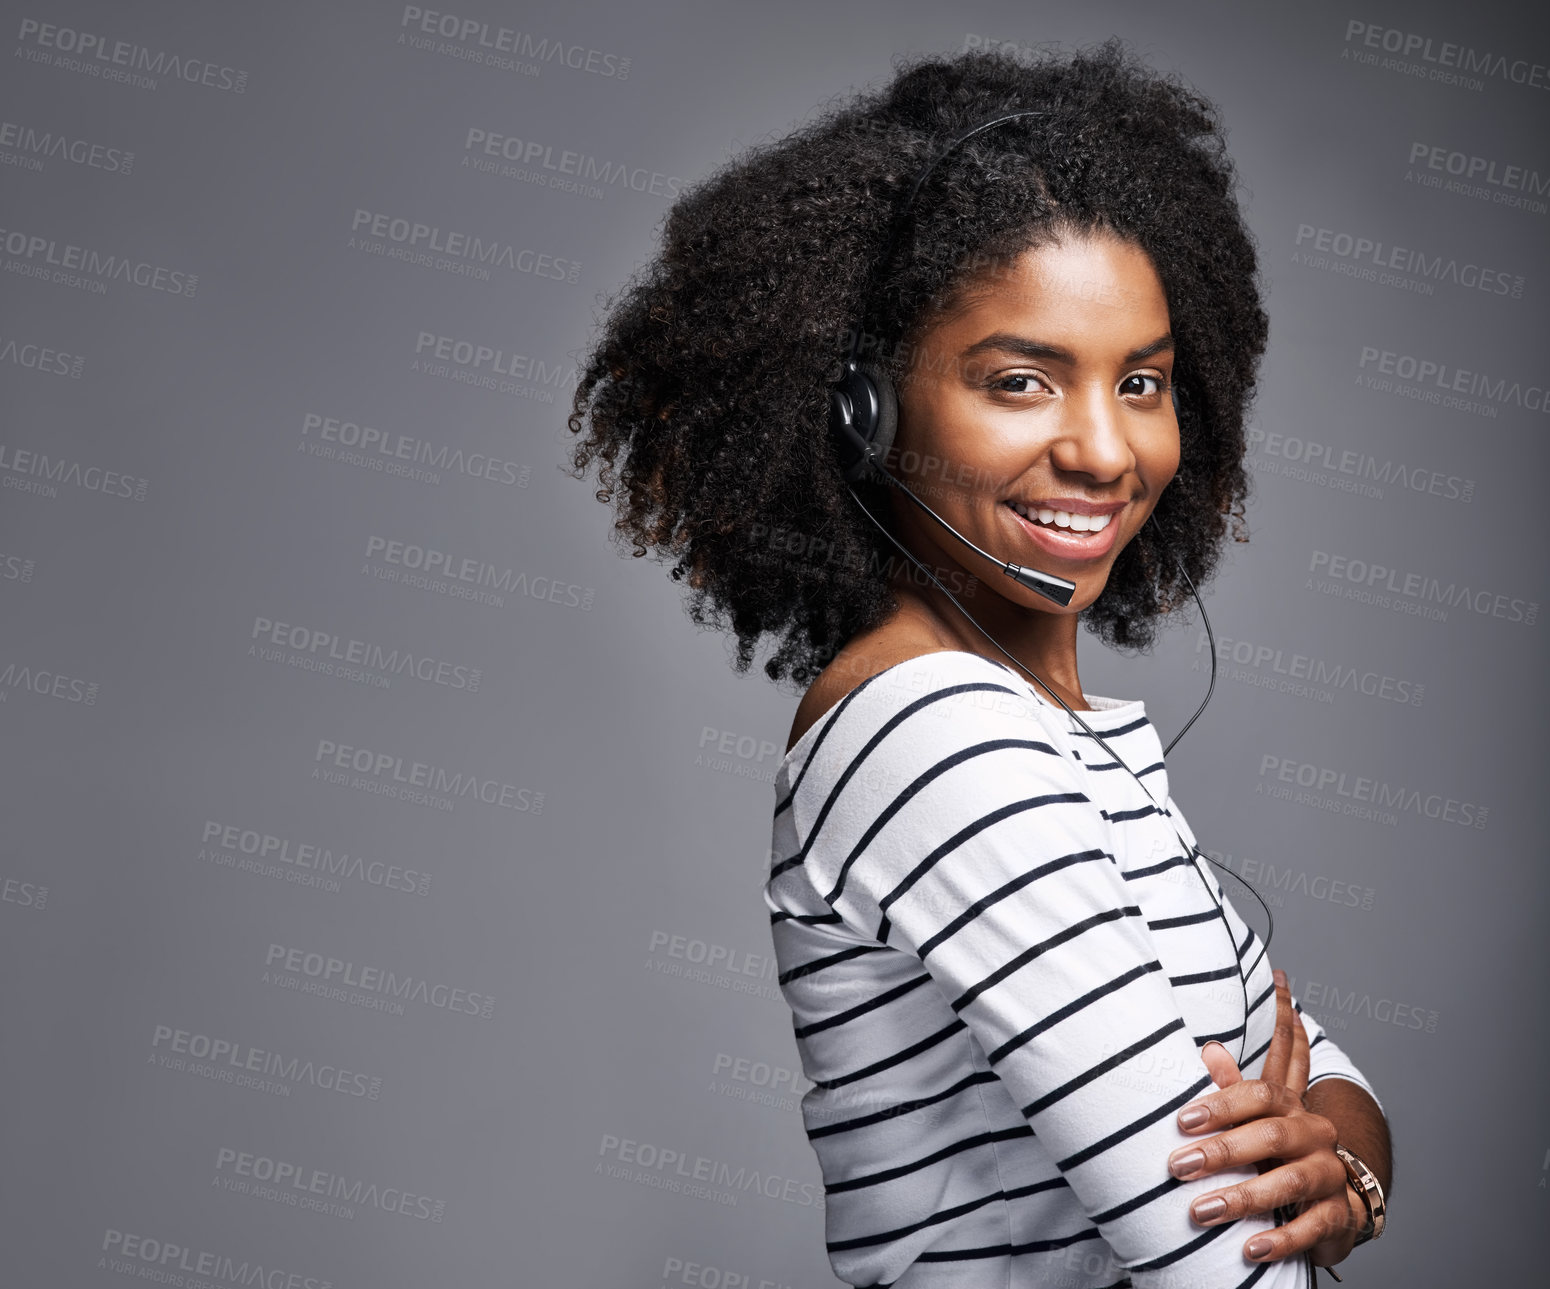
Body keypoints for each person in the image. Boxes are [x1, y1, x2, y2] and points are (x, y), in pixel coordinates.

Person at [566, 38, 1391, 1288]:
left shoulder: (1054, 737)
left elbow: (1326, 1075)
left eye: (1142, 380)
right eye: (1021, 380)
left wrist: (1341, 1159)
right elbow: (1227, 1255)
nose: (1104, 450)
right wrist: (1314, 1182)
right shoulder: (932, 733)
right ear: (865, 411)